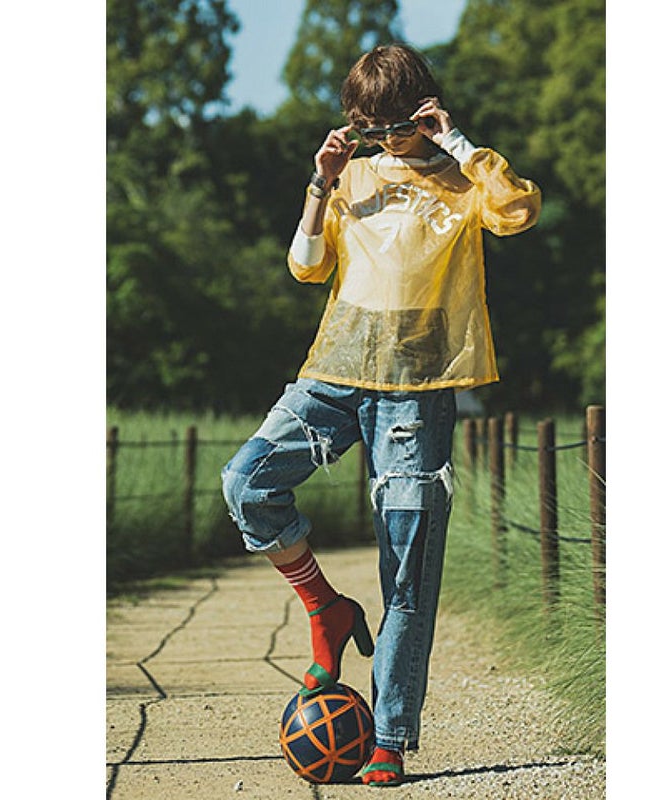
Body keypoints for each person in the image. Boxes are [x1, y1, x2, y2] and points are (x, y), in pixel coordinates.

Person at [222, 43, 541, 787]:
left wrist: (456, 143)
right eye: (369, 128)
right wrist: (321, 182)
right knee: (246, 482)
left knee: (406, 568)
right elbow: (306, 266)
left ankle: (390, 736)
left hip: (417, 386)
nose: (384, 141)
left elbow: (518, 210)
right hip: (333, 373)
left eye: (396, 126)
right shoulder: (353, 176)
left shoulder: (463, 179)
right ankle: (325, 609)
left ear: (423, 112)